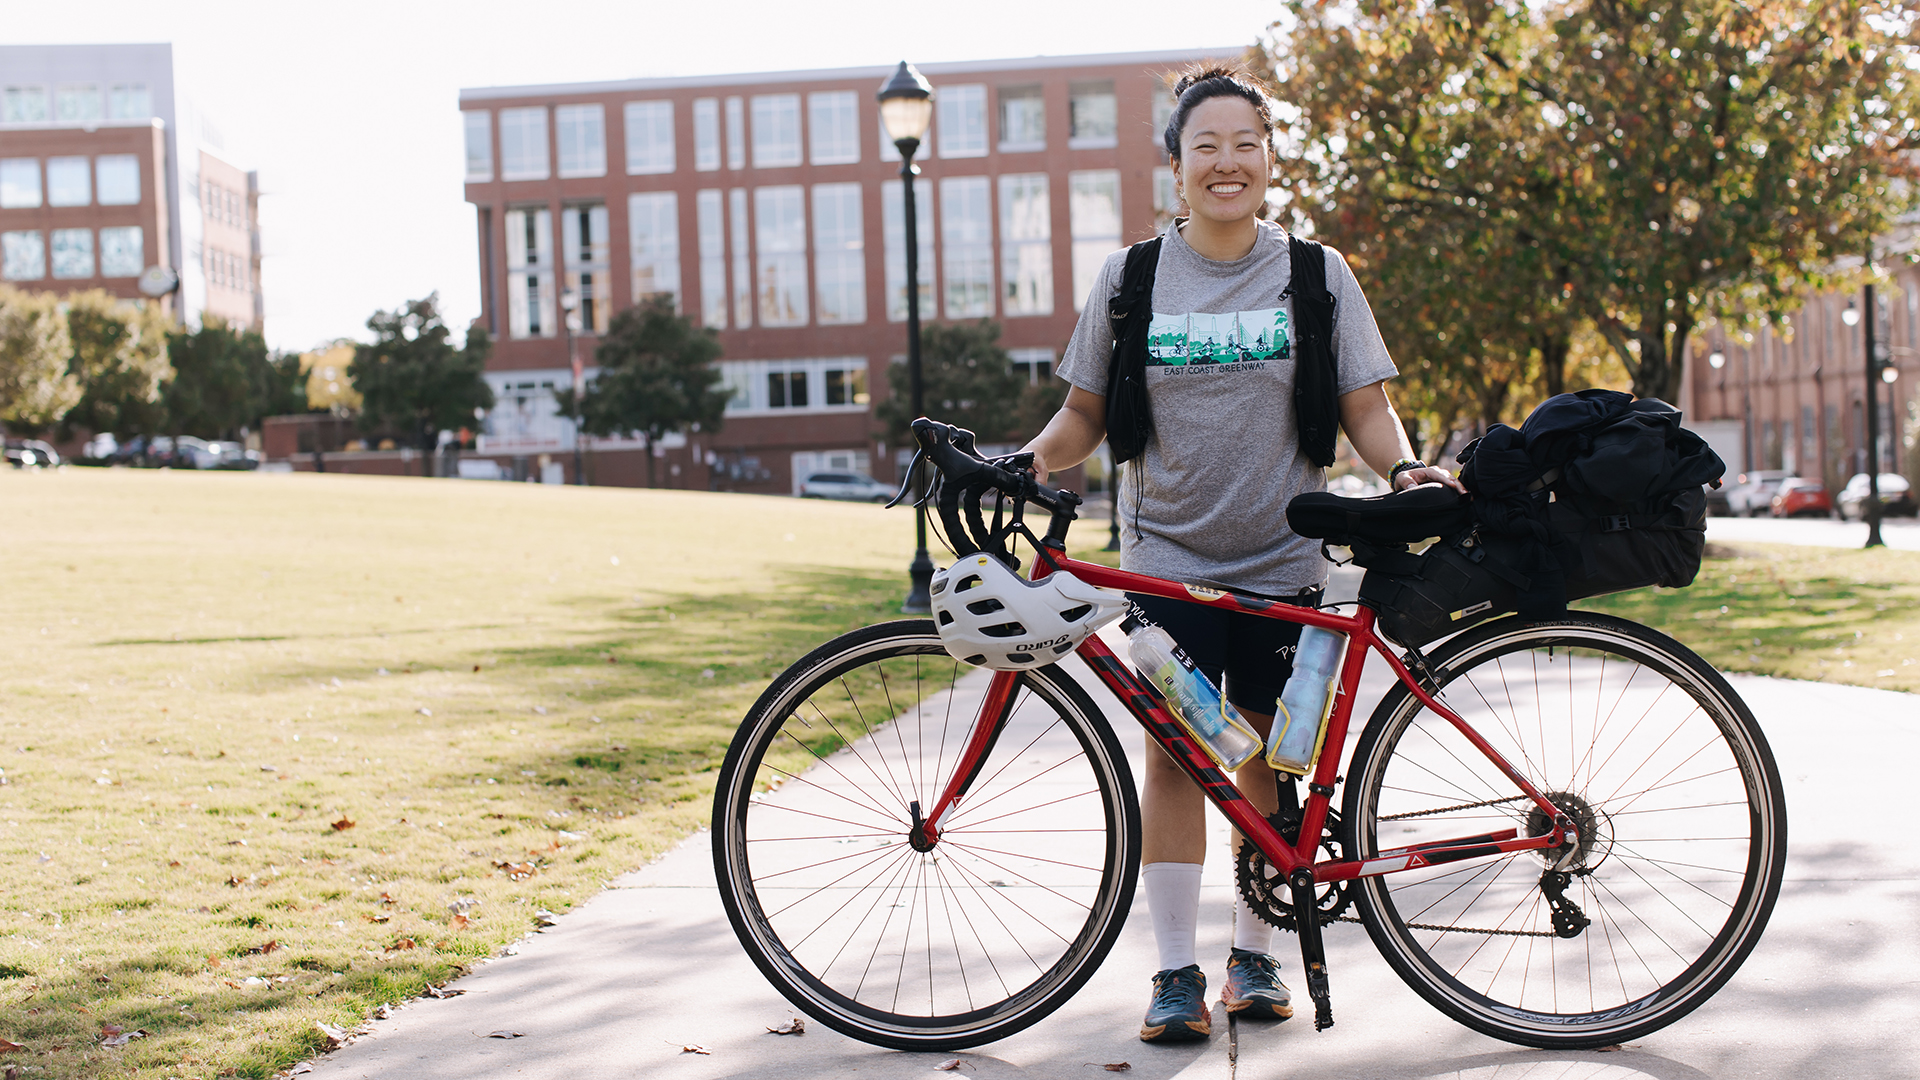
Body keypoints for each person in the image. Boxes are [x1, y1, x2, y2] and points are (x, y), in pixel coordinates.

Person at [1020, 64, 1461, 1044]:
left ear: (1269, 159)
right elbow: (1083, 414)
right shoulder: (1131, 279)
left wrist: (1403, 474)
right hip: (1162, 568)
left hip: (1283, 564)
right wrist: (1025, 460)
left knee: (1263, 754)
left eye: (1244, 145)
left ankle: (1255, 956)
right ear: (1175, 168)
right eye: (1204, 147)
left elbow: (1365, 408)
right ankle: (1176, 973)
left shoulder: (1317, 274)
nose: (1227, 163)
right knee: (1180, 759)